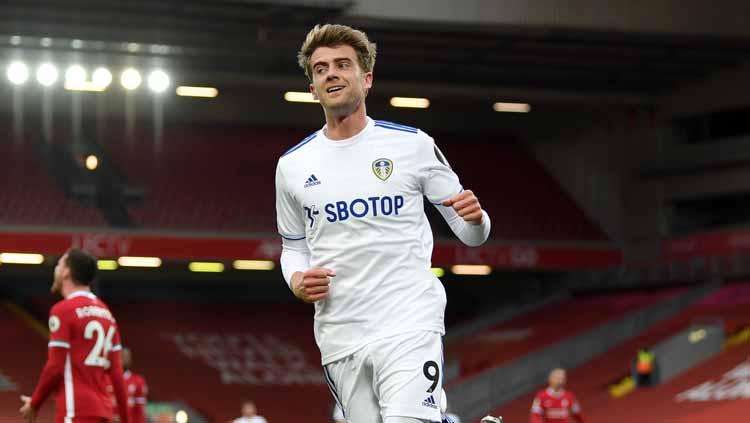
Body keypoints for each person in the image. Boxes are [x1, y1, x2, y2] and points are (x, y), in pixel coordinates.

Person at [275, 24, 491, 423]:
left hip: (409, 319)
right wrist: (297, 281)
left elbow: (470, 233)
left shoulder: (412, 145)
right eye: (321, 69)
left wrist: (477, 220)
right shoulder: (291, 167)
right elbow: (292, 247)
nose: (331, 74)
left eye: (343, 64)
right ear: (312, 87)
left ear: (367, 78)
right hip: (340, 334)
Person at [19, 249, 129, 423]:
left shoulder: (63, 310)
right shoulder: (106, 313)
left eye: (58, 265)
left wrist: (35, 403)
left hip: (76, 410)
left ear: (66, 272)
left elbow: (55, 366)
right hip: (103, 413)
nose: (55, 269)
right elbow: (116, 374)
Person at [121, 348, 148, 423]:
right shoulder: (107, 379)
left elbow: (140, 409)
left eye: (127, 357)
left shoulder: (138, 381)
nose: (124, 359)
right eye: (122, 356)